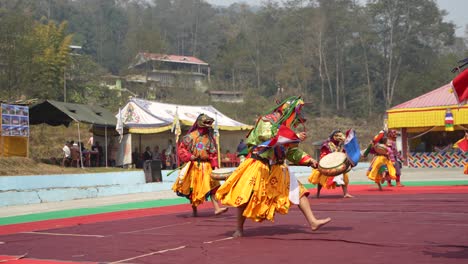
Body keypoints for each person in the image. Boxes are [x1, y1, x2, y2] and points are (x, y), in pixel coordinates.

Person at [216, 96, 331, 237]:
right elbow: (267, 138)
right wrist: (293, 136)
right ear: (287, 111)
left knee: (299, 191)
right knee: (246, 194)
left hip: (278, 167)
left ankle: (313, 221)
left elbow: (292, 152)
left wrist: (309, 160)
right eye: (295, 114)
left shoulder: (289, 129)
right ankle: (239, 228)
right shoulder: (266, 121)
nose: (296, 118)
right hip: (258, 164)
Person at [172, 113, 228, 217]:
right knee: (193, 189)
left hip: (207, 166)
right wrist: (189, 156)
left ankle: (217, 208)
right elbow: (181, 149)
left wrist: (215, 165)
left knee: (213, 187)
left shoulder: (210, 139)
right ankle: (194, 210)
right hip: (195, 166)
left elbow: (213, 153)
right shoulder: (190, 136)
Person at [308, 130, 354, 198]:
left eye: (341, 136)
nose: (340, 137)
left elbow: (344, 153)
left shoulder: (341, 144)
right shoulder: (327, 144)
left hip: (339, 164)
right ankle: (318, 193)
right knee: (320, 177)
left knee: (345, 177)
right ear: (334, 136)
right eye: (338, 136)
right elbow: (323, 155)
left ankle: (345, 193)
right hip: (327, 164)